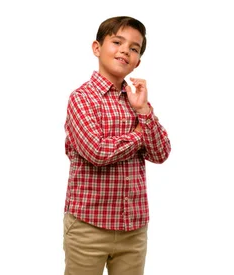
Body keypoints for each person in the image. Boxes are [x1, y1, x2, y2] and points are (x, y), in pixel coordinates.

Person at [62, 16, 171, 275]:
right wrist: (137, 136)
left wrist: (143, 111)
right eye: (117, 42)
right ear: (97, 48)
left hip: (133, 228)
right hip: (88, 227)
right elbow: (97, 152)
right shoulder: (82, 99)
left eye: (134, 48)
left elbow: (161, 153)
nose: (125, 50)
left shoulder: (136, 102)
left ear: (138, 62)